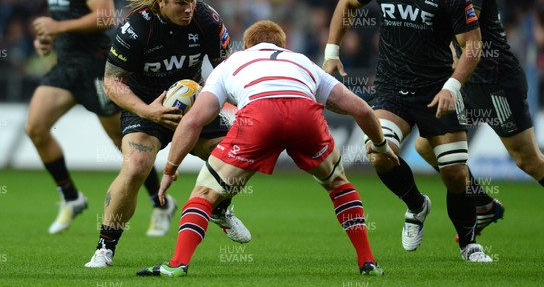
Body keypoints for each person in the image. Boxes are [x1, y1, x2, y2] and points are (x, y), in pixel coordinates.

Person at [137, 19, 396, 277]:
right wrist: (382, 146)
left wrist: (170, 169)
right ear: (282, 46)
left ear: (247, 45)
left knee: (204, 192)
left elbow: (194, 120)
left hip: (258, 117)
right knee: (339, 184)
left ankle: (177, 264)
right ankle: (368, 262)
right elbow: (361, 109)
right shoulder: (302, 61)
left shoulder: (231, 63)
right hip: (305, 115)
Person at [323, 0, 491, 262]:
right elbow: (348, 3)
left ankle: (469, 242)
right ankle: (417, 206)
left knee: (456, 173)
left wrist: (452, 87)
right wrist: (332, 52)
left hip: (435, 92)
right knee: (378, 153)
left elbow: (472, 46)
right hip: (391, 88)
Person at [84, 0, 251, 268]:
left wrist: (238, 105)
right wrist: (147, 111)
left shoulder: (207, 20)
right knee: (136, 167)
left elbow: (227, 71)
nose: (188, 9)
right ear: (160, 2)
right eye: (180, 3)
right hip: (146, 106)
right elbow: (112, 82)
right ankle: (105, 248)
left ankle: (220, 206)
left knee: (237, 155)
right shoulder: (135, 29)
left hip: (194, 107)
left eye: (192, 1)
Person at [25, 0, 171, 236]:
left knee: (124, 142)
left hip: (96, 65)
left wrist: (58, 27)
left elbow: (105, 17)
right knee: (35, 126)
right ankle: (71, 196)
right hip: (66, 67)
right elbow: (65, 18)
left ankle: (162, 204)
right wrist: (48, 40)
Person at [414, 0, 544, 240]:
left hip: (494, 78)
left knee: (528, 160)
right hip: (464, 81)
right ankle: (483, 205)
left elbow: (461, 17)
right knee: (427, 147)